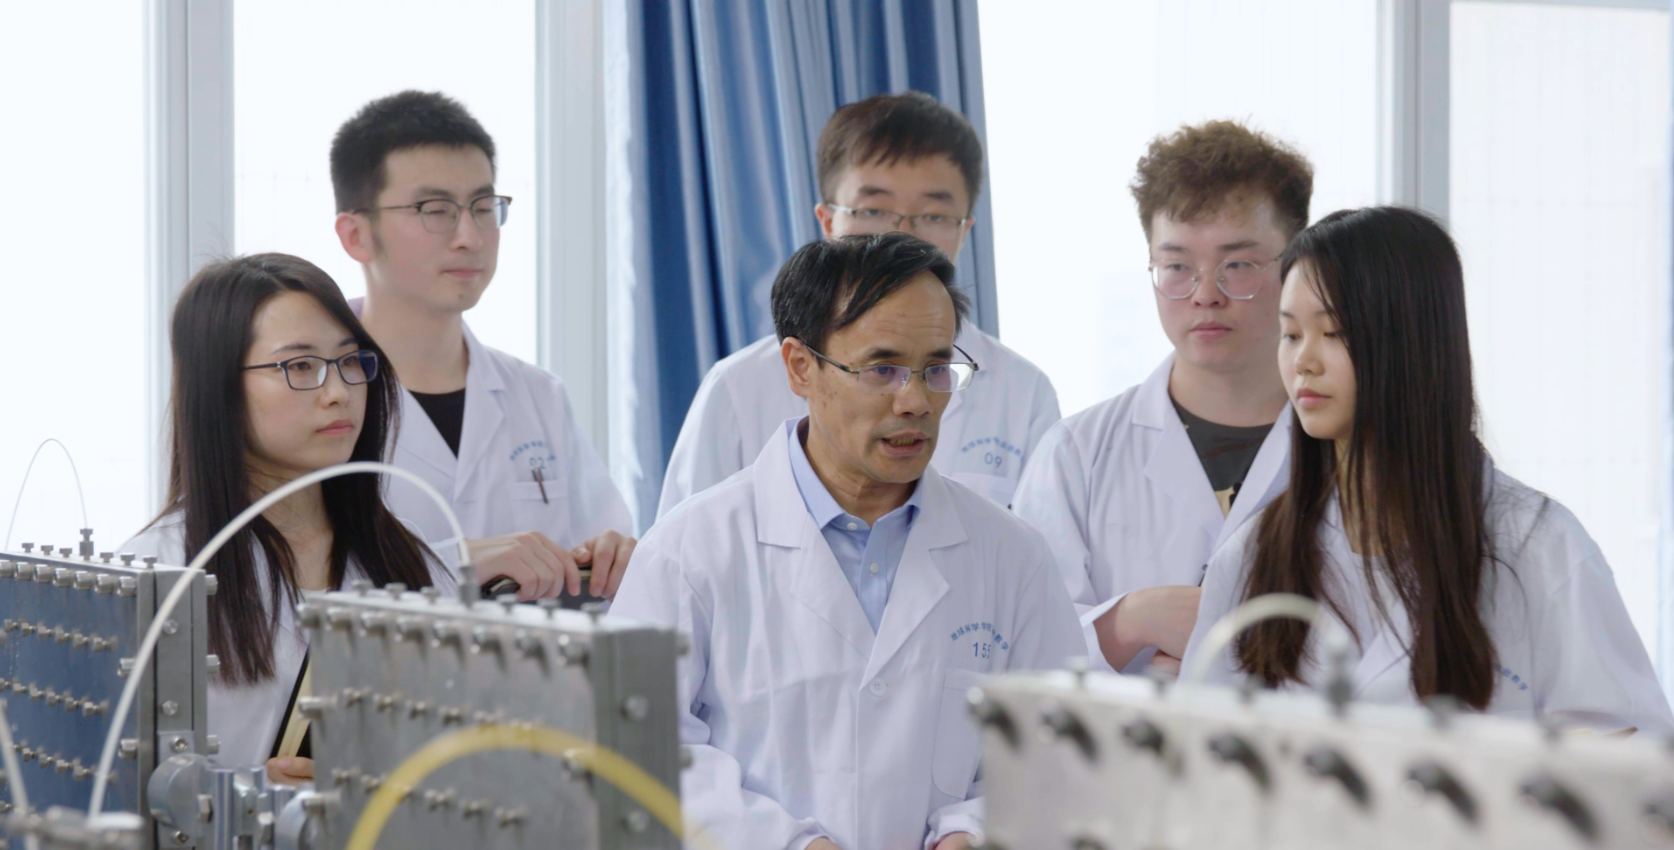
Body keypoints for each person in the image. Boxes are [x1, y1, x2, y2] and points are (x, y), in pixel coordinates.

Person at [611, 233, 1082, 850]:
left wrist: (973, 831)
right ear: (800, 367)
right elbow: (636, 747)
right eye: (882, 369)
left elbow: (1059, 745)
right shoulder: (688, 552)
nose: (915, 401)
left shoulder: (1011, 555)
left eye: (936, 369)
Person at [1179, 207, 1673, 734]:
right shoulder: (1254, 554)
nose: (1304, 361)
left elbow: (1626, 755)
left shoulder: (1540, 546)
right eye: (1291, 334)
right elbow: (1198, 752)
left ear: (1413, 342)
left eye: (1334, 331)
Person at [122, 254, 528, 783]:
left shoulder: (410, 564)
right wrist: (247, 793)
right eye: (299, 367)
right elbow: (110, 789)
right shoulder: (155, 572)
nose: (339, 392)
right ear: (219, 388)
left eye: (350, 361)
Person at [657, 91, 1060, 517]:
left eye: (934, 216)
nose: (902, 236)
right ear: (828, 221)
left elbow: (1038, 551)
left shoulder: (1023, 391)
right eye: (873, 211)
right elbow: (689, 542)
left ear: (965, 230)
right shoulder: (738, 388)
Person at [1011, 121, 1308, 674]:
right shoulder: (1076, 455)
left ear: (1294, 266)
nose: (1205, 295)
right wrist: (1127, 623)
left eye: (1238, 266)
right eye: (1176, 267)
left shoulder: (1355, 450)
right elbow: (1015, 652)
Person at [331, 90, 635, 602]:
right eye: (435, 210)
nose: (469, 237)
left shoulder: (537, 396)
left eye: (482, 207)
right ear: (356, 235)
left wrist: (613, 557)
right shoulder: (318, 395)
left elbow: (609, 568)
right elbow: (290, 592)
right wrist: (452, 565)